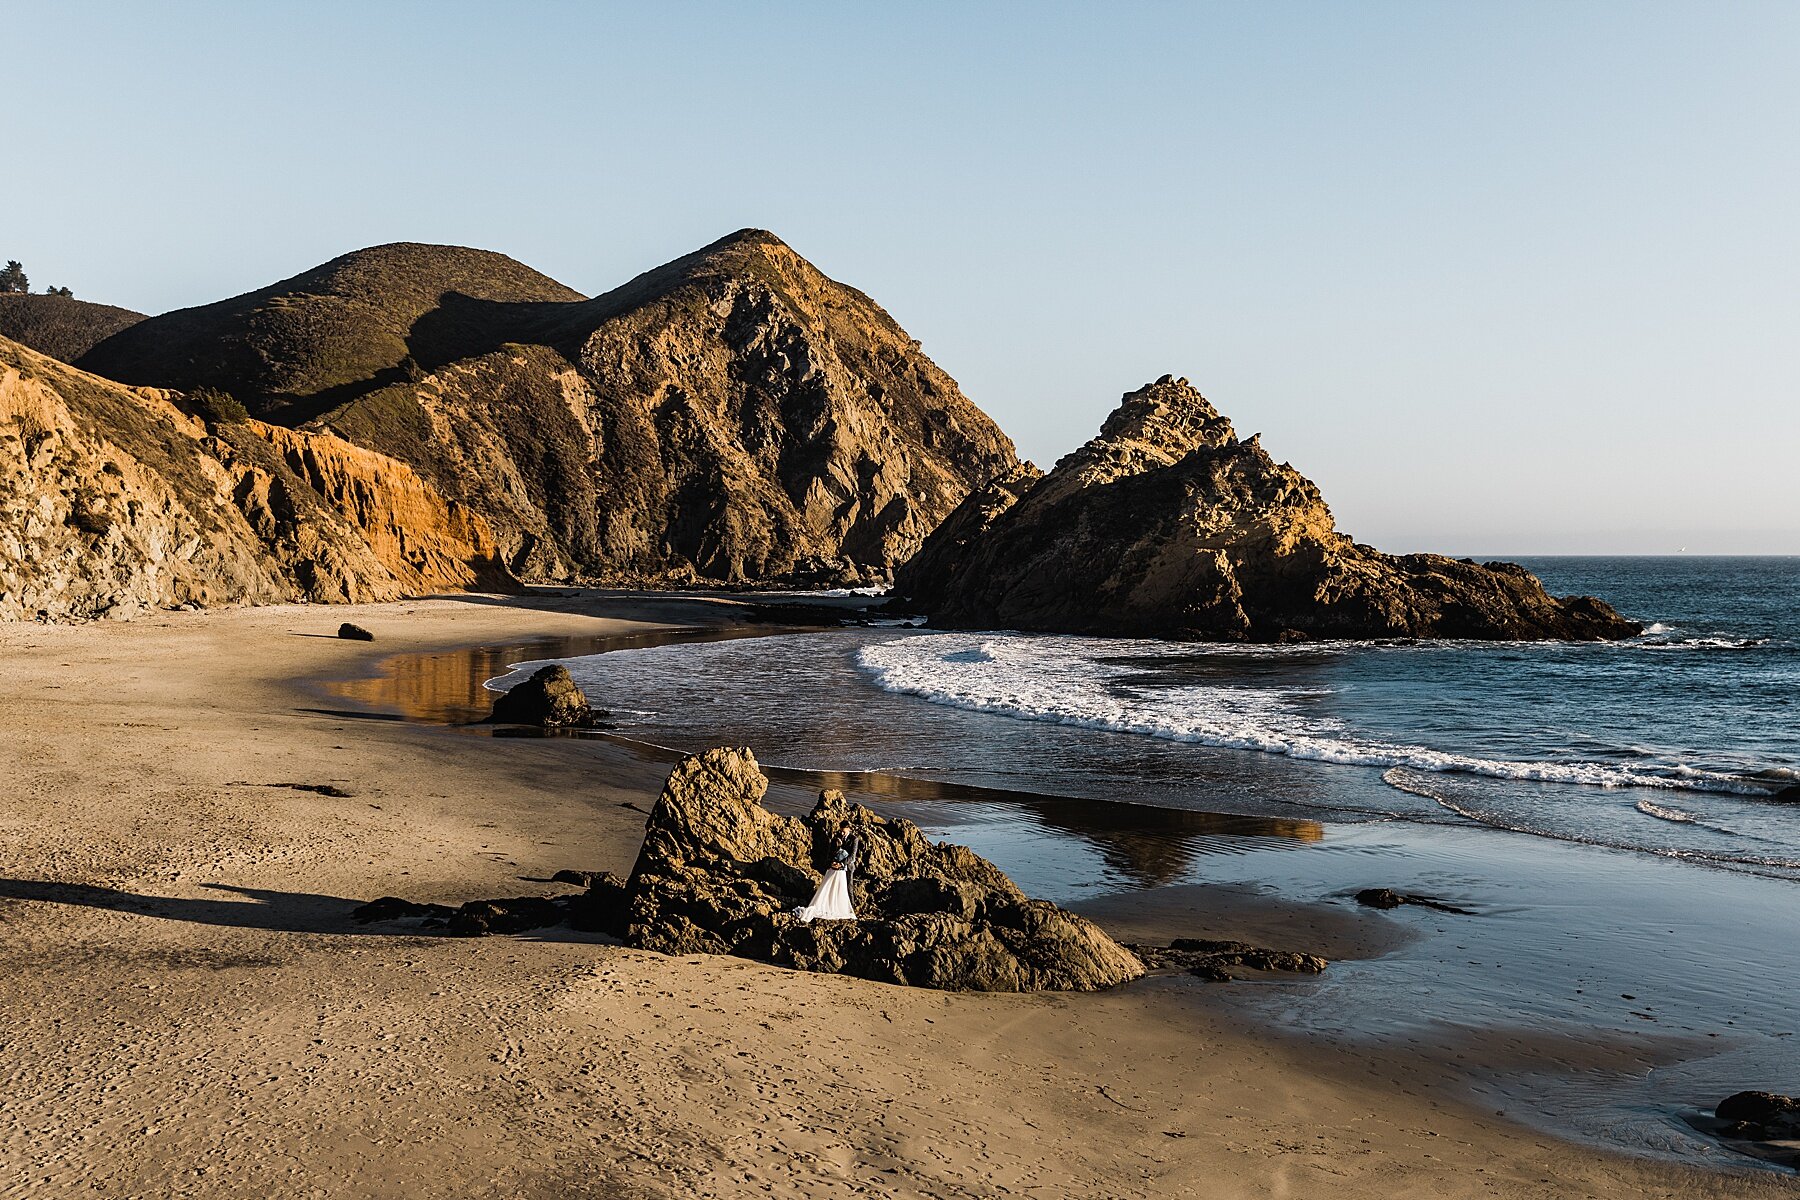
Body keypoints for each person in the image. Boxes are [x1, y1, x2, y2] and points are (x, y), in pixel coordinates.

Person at [793, 829, 861, 923]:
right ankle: (839, 907)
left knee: (847, 887)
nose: (841, 833)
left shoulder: (854, 839)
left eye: (843, 831)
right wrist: (833, 863)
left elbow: (852, 856)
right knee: (839, 889)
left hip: (845, 867)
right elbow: (831, 853)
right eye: (841, 831)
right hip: (839, 870)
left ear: (848, 829)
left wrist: (840, 864)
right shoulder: (838, 840)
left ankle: (850, 906)